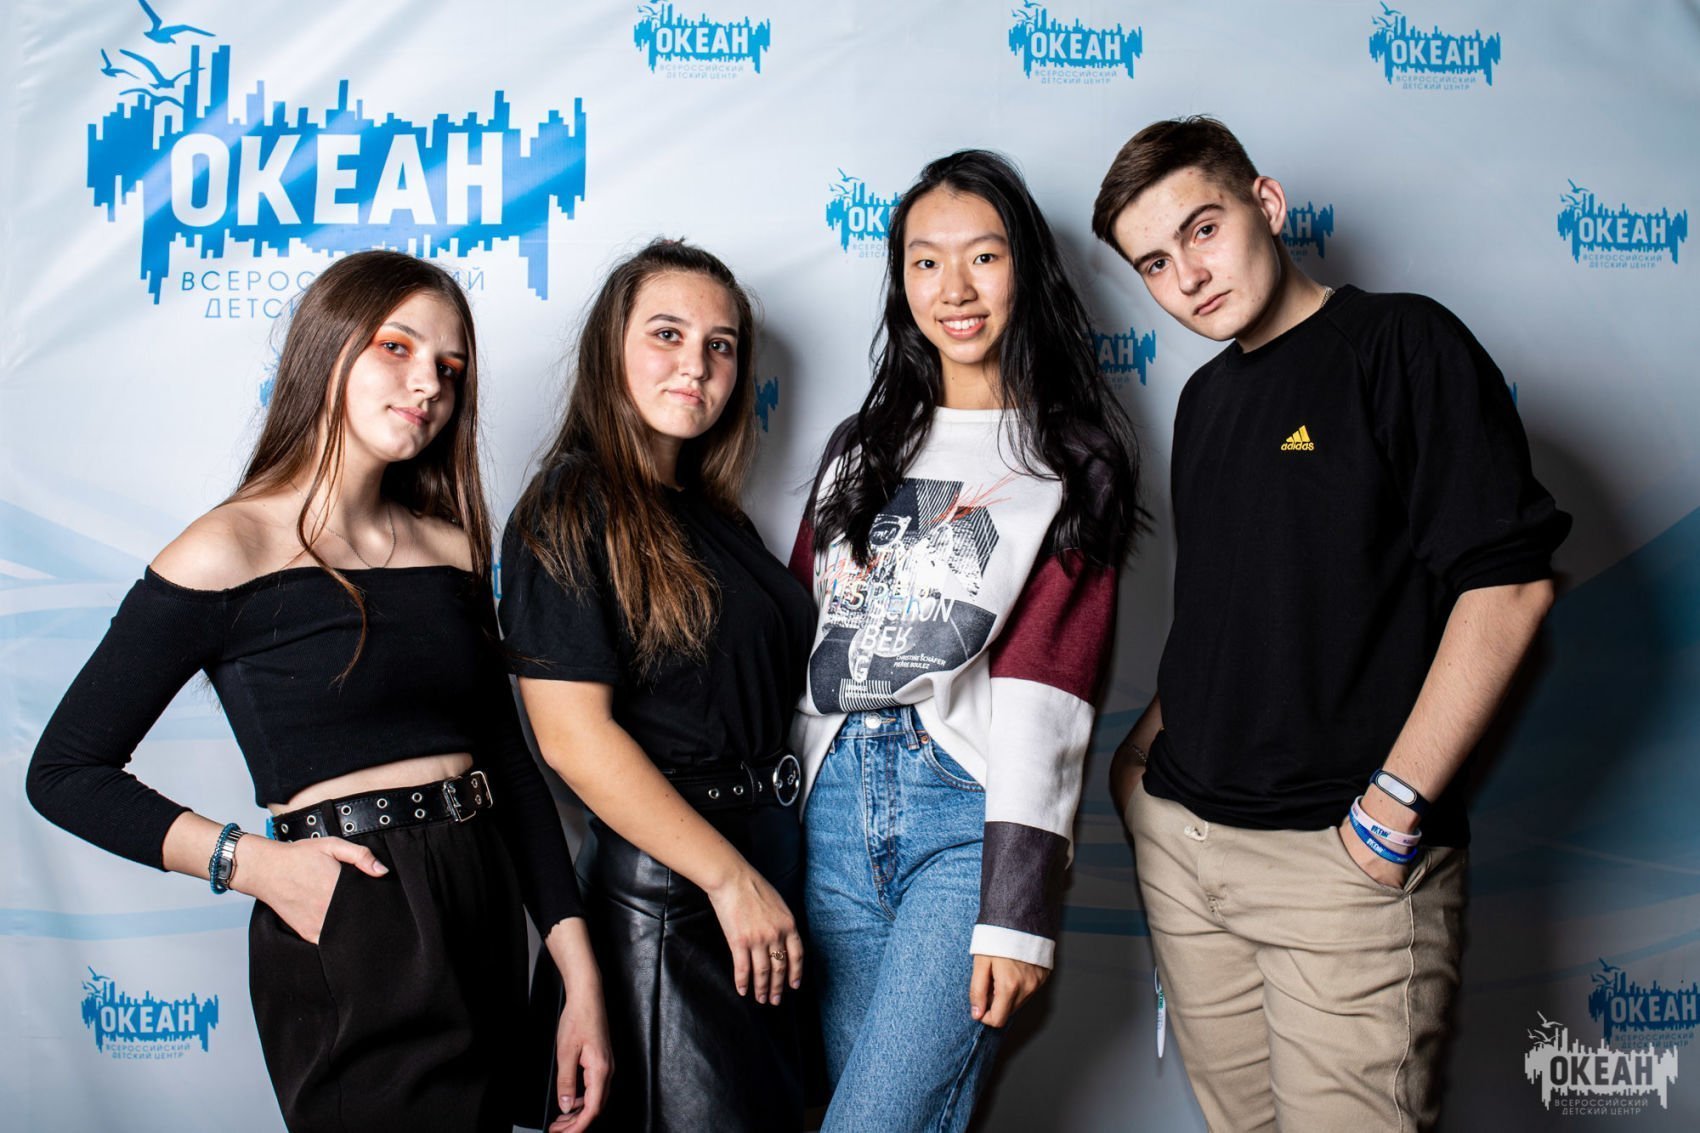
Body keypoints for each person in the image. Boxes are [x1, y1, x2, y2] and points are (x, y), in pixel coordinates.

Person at [25, 250, 610, 1133]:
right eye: (396, 347)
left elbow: (510, 766)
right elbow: (65, 770)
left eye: (450, 367)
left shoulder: (451, 547)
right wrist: (252, 864)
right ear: (326, 348)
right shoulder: (226, 549)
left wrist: (579, 977)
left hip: (483, 895)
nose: (429, 384)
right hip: (357, 906)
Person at [1091, 116, 1571, 1131]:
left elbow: (1510, 584)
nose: (1188, 274)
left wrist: (1388, 815)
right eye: (1154, 263)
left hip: (1336, 864)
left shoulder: (1400, 344)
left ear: (1265, 204)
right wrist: (1138, 766)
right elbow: (1232, 611)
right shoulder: (1203, 399)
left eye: (1203, 229)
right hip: (1186, 849)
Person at [790, 150, 1144, 1131]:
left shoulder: (1069, 457)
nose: (953, 288)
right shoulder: (857, 446)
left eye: (983, 257)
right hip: (831, 811)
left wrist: (1015, 904)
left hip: (961, 817)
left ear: (1024, 268)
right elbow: (803, 634)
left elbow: (1048, 690)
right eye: (925, 261)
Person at [499, 239, 815, 1132]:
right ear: (612, 348)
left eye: (721, 345)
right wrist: (727, 878)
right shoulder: (570, 504)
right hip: (673, 898)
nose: (697, 364)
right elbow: (573, 738)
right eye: (667, 334)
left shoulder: (718, 515)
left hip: (757, 875)